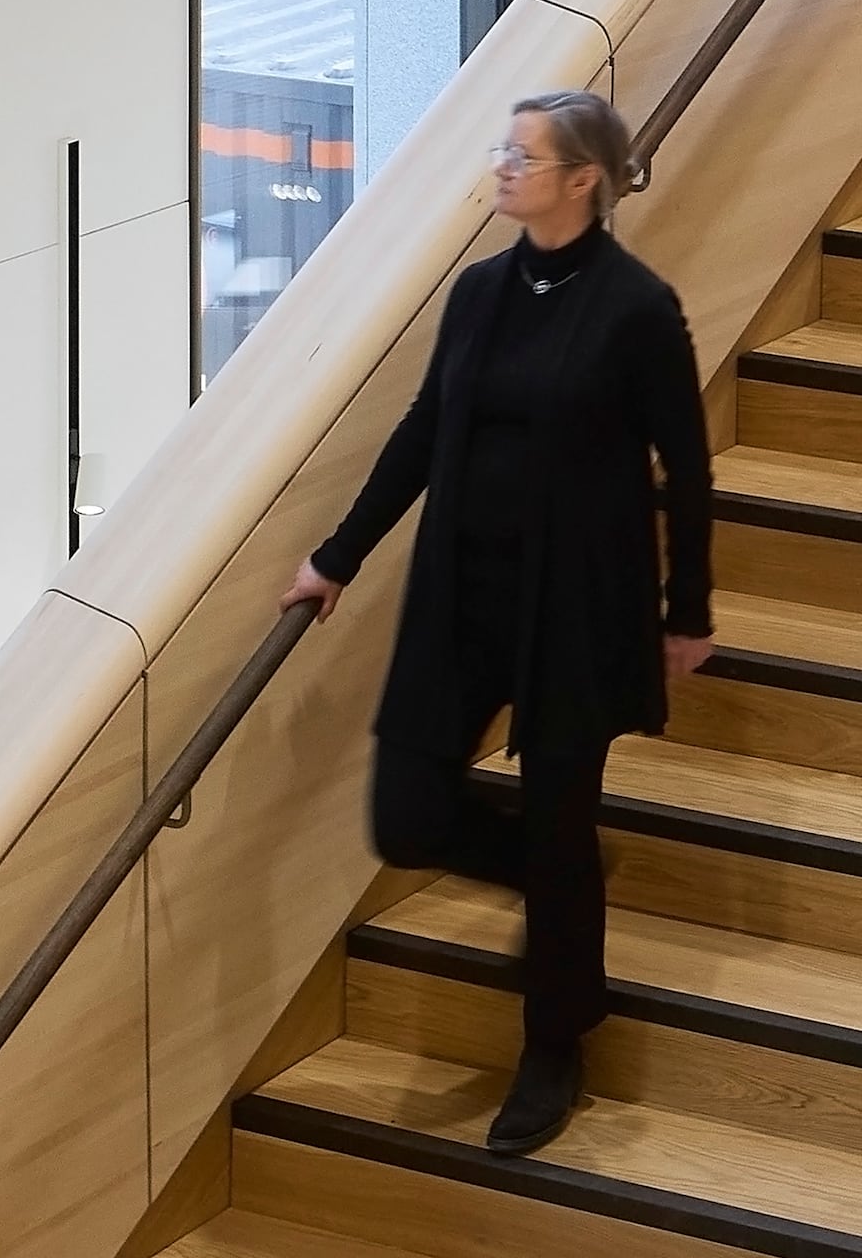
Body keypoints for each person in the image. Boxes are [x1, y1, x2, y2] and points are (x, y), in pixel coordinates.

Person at [282, 91, 714, 1152]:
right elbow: (426, 428)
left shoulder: (634, 308)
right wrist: (336, 556)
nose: (502, 167)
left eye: (524, 156)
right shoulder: (479, 292)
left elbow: (688, 470)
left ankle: (554, 1045)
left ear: (583, 180)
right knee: (408, 813)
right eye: (504, 151)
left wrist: (684, 610)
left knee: (563, 822)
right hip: (461, 591)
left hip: (578, 603)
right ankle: (550, 875)